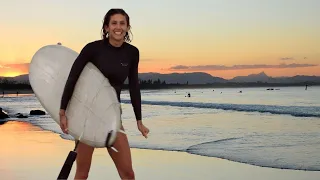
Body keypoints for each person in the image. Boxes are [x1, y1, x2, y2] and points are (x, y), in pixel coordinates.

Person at [58, 8, 149, 180]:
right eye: (114, 23)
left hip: (112, 118)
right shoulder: (92, 49)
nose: (118, 27)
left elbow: (134, 86)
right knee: (82, 173)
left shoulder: (132, 53)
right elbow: (73, 78)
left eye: (122, 23)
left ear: (128, 27)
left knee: (128, 174)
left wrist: (139, 120)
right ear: (106, 27)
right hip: (87, 118)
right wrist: (63, 111)